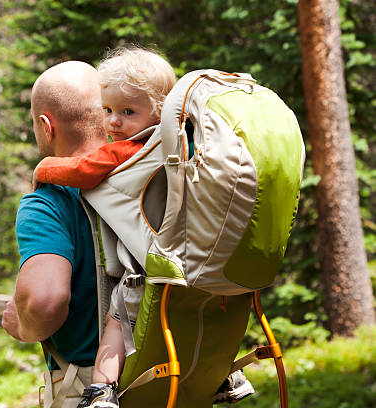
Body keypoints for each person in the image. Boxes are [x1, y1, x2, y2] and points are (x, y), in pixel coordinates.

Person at [32, 47, 255, 408]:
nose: (114, 123)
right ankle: (224, 374)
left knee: (116, 323)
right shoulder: (188, 148)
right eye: (107, 111)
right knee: (198, 316)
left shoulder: (129, 150)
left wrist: (43, 170)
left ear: (160, 109)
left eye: (127, 112)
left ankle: (102, 391)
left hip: (147, 267)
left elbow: (82, 171)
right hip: (198, 263)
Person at [1, 60, 108, 407]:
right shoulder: (151, 182)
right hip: (175, 381)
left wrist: (22, 326)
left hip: (94, 393)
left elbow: (44, 303)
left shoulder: (48, 202)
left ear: (46, 126)